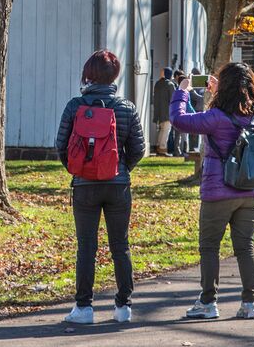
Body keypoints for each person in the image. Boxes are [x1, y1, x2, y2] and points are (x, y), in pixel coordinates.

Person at [55, 50, 146, 325]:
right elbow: (139, 149)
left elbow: (61, 145)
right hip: (117, 185)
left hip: (84, 186)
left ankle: (83, 308)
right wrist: (121, 169)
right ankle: (123, 307)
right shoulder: (127, 107)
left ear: (88, 74)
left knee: (86, 247)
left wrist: (80, 169)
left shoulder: (75, 106)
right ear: (114, 76)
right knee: (120, 245)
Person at [171, 62, 254, 320]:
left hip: (219, 190)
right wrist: (216, 93)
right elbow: (202, 121)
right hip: (249, 189)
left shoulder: (217, 117)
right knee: (245, 246)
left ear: (224, 86)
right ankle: (250, 303)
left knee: (210, 246)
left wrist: (182, 91)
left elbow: (180, 120)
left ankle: (208, 302)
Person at [152, 67, 174, 156]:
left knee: (161, 130)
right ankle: (162, 148)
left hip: (159, 111)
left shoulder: (157, 84)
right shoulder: (170, 84)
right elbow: (173, 99)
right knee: (166, 131)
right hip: (167, 112)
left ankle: (158, 147)